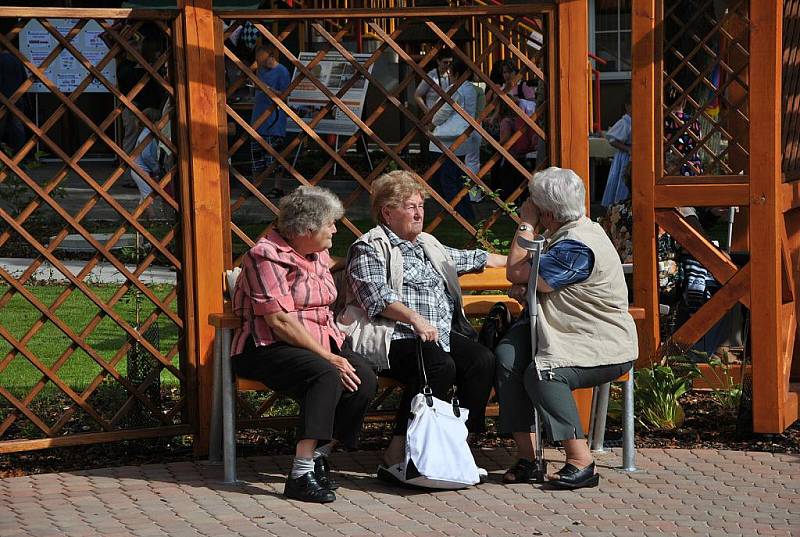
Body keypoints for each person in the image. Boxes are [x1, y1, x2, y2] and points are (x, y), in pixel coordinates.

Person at [337, 170, 506, 482]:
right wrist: (414, 319)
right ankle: (399, 452)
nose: (418, 213)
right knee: (440, 365)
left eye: (420, 206)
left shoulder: (428, 243)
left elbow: (472, 258)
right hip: (393, 337)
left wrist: (515, 261)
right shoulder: (369, 247)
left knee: (482, 360)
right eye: (409, 206)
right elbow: (376, 299)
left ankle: (456, 447)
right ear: (387, 211)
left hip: (436, 334)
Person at [231, 186, 378, 503]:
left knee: (363, 378)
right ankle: (299, 475)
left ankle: (318, 458)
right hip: (266, 346)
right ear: (306, 229)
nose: (336, 229)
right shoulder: (264, 256)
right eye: (330, 224)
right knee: (325, 374)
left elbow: (327, 276)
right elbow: (279, 321)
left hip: (319, 342)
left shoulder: (318, 252)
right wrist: (328, 357)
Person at [495, 167, 638, 490]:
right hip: (561, 330)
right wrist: (529, 286)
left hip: (598, 342)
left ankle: (580, 460)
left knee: (543, 373)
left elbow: (516, 271)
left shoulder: (576, 245)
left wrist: (525, 223)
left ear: (547, 213)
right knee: (505, 357)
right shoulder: (566, 234)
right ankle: (530, 458)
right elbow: (533, 280)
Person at [428, 58, 479, 220]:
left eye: (451, 73)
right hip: (463, 138)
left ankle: (459, 214)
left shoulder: (455, 89)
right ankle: (465, 213)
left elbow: (442, 111)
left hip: (447, 140)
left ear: (456, 74)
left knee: (446, 180)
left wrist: (432, 121)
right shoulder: (471, 89)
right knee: (457, 179)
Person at [250, 44, 291, 198]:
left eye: (263, 60)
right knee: (256, 155)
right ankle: (256, 186)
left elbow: (284, 95)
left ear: (271, 57)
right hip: (258, 117)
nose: (261, 63)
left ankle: (277, 187)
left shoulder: (282, 71)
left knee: (274, 155)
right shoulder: (260, 71)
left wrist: (267, 88)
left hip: (274, 119)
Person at [601, 97, 632, 207]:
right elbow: (612, 140)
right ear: (627, 106)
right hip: (625, 156)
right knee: (622, 179)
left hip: (633, 154)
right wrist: (627, 149)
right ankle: (619, 203)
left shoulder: (636, 120)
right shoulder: (625, 122)